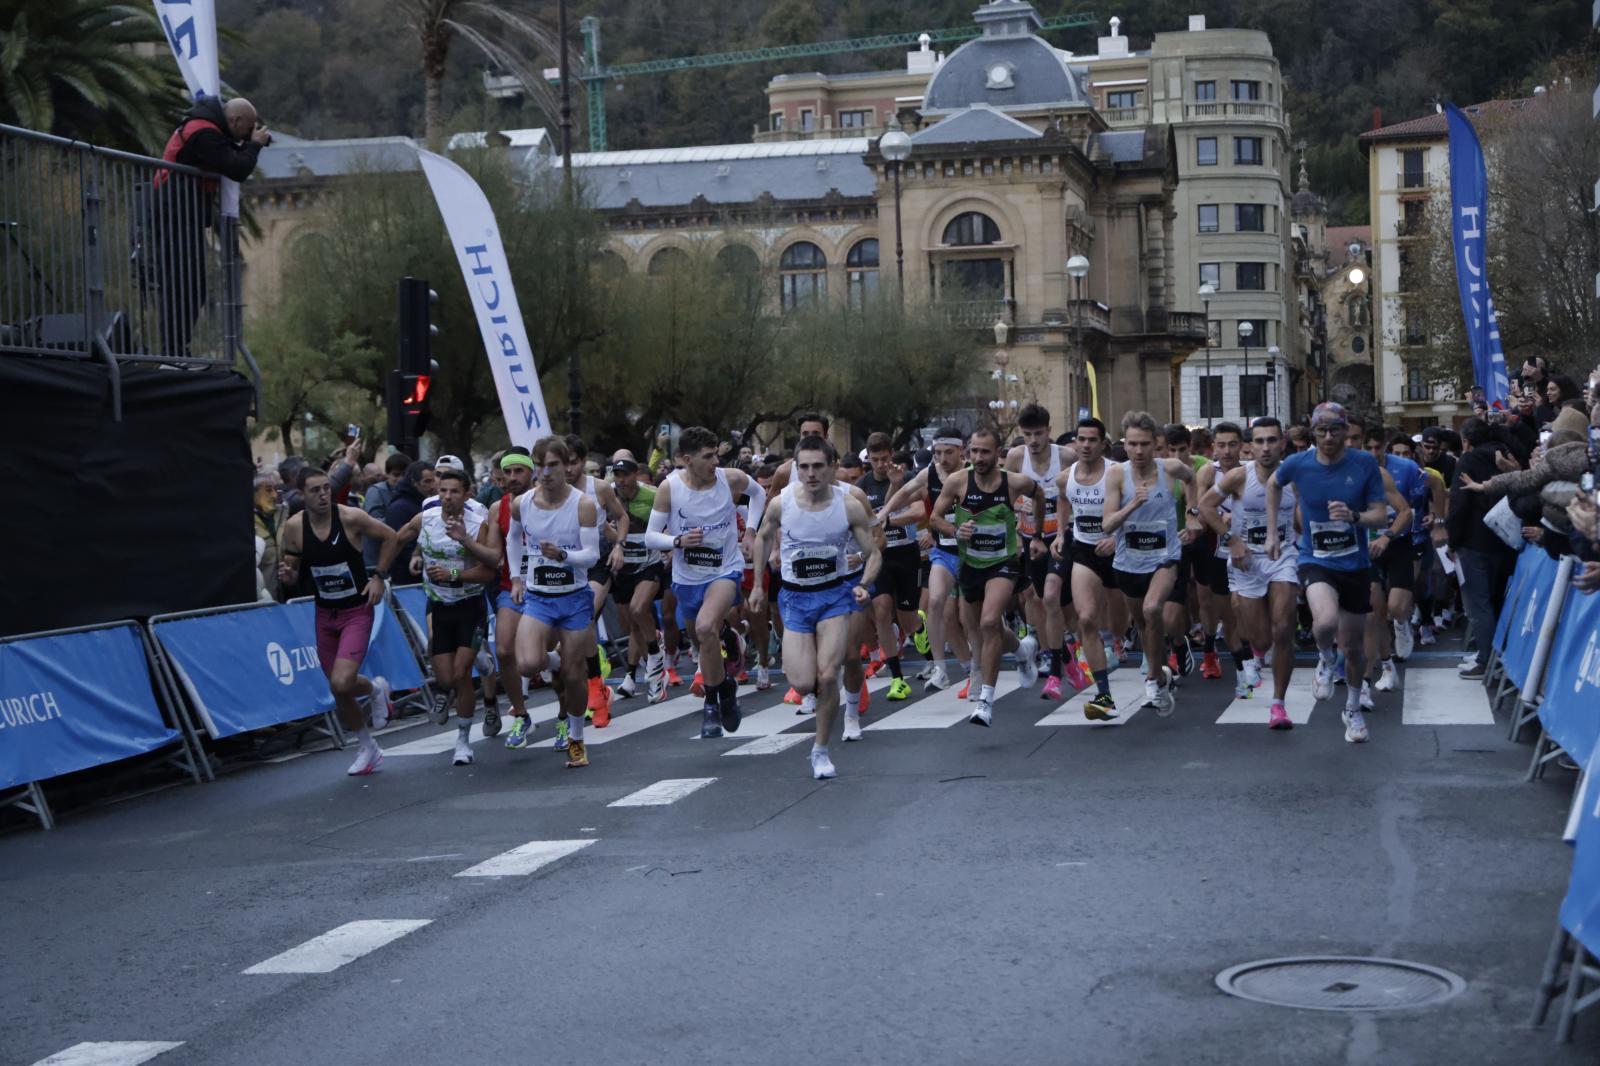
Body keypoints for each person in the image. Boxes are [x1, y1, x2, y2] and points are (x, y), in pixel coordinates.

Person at [1265, 402, 1409, 744]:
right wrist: (1273, 531)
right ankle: (1326, 659)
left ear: (1346, 432)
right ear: (1313, 433)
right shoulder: (1298, 463)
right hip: (1315, 560)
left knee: (1355, 649)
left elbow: (1380, 514)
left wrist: (1354, 516)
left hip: (1355, 564)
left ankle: (1353, 709)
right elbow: (1273, 485)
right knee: (1326, 622)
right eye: (1322, 431)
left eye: (1335, 430)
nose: (1329, 437)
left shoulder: (1364, 464)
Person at [749, 436, 881, 779]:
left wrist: (865, 584)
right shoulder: (781, 503)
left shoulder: (848, 505)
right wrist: (759, 585)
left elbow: (874, 553)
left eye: (818, 466)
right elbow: (763, 537)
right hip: (794, 599)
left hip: (834, 597)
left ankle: (820, 751)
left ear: (832, 467)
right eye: (804, 466)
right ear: (796, 468)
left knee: (827, 674)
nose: (810, 474)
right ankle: (820, 705)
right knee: (805, 682)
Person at [276, 467, 400, 776]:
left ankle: (375, 691)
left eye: (326, 488)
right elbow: (291, 569)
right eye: (314, 490)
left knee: (342, 681)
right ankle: (368, 747)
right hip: (324, 613)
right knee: (339, 689)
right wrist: (288, 576)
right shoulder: (294, 527)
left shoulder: (350, 517)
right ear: (301, 495)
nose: (323, 495)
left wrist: (378, 577)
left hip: (356, 610)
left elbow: (391, 537)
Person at [645, 426, 758, 739]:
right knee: (703, 640)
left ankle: (711, 705)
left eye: (716, 455)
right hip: (686, 578)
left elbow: (758, 494)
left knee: (706, 627)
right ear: (686, 459)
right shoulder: (669, 488)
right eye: (708, 456)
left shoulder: (730, 479)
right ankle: (726, 688)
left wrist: (750, 531)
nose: (715, 462)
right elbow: (650, 537)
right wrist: (678, 541)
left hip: (725, 570)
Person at [929, 426, 1044, 726]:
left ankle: (985, 701)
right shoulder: (957, 481)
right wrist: (955, 530)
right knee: (981, 627)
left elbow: (1039, 495)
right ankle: (1022, 650)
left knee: (990, 622)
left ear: (997, 453)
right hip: (971, 564)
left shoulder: (1014, 482)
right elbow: (935, 518)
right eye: (974, 451)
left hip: (1004, 562)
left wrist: (1037, 534)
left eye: (985, 452)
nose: (979, 457)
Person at [388, 467, 498, 766]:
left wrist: (454, 573)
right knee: (446, 678)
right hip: (438, 605)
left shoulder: (477, 522)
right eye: (443, 491)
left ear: (467, 494)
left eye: (454, 491)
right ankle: (477, 671)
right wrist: (379, 572)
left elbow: (489, 571)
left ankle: (463, 741)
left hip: (469, 605)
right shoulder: (427, 517)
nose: (447, 496)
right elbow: (397, 538)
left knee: (461, 675)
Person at [149, 96, 270, 356]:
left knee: (193, 286)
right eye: (247, 128)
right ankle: (173, 352)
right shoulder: (203, 132)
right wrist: (255, 146)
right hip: (175, 216)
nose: (247, 134)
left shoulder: (208, 130)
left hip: (183, 215)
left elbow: (229, 156)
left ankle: (178, 350)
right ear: (235, 120)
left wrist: (249, 143)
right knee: (181, 285)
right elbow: (237, 168)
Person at [509, 437, 602, 768]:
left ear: (566, 466)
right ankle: (558, 660)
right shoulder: (522, 503)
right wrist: (516, 578)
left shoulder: (582, 504)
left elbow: (592, 555)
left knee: (575, 677)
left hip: (574, 597)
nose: (546, 473)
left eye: (553, 465)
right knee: (527, 664)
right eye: (540, 465)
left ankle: (576, 738)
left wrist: (563, 555)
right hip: (539, 597)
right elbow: (513, 539)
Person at [1101, 411, 1201, 716]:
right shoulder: (1116, 475)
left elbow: (1192, 478)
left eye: (1144, 444)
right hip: (1128, 562)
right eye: (1132, 444)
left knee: (1152, 608)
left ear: (1155, 444)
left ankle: (1153, 679)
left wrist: (1192, 514)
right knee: (1145, 626)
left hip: (1165, 557)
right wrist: (1132, 504)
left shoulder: (1169, 468)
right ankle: (1161, 675)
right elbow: (1107, 525)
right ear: (1125, 444)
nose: (1139, 450)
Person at [1202, 418, 1296, 725]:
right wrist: (1232, 540)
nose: (1266, 447)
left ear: (1282, 443)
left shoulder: (1294, 475)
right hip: (1247, 562)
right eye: (1259, 441)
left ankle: (1278, 704)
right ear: (1250, 446)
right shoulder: (1239, 477)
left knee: (1283, 628)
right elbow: (1205, 506)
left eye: (1272, 440)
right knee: (1263, 639)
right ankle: (1257, 653)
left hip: (1283, 556)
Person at [882, 427, 974, 694]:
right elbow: (903, 494)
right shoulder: (930, 473)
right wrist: (884, 513)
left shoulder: (973, 473)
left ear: (961, 451)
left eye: (948, 452)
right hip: (944, 551)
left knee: (968, 618)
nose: (942, 458)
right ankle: (942, 669)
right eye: (938, 452)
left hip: (974, 554)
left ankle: (1015, 651)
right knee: (936, 604)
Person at [1005, 404, 1078, 700]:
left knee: (1053, 597)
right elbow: (1004, 495)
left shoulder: (1067, 457)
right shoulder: (1015, 457)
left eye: (1038, 433)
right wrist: (1016, 505)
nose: (1033, 440)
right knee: (1041, 597)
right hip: (1030, 537)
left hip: (1061, 535)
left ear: (1049, 431)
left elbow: (1079, 491)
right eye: (1027, 434)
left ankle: (1061, 660)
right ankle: (1061, 653)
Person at [1052, 417, 1122, 720]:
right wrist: (1060, 533)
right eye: (1081, 439)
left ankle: (1159, 670)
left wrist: (1117, 538)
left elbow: (1137, 509)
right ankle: (1104, 696)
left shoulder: (1117, 473)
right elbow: (1063, 501)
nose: (1085, 445)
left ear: (1103, 443)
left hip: (1120, 553)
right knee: (1087, 619)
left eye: (1092, 440)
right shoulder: (1065, 477)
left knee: (1127, 626)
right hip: (1084, 550)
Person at [857, 432, 926, 702]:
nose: (880, 464)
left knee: (908, 619)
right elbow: (862, 522)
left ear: (891, 454)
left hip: (907, 554)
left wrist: (888, 521)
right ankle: (897, 679)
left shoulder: (905, 477)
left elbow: (919, 512)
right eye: (875, 460)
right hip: (880, 557)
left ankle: (921, 631)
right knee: (882, 611)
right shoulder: (862, 485)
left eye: (884, 458)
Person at [480, 448, 538, 747]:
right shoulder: (497, 508)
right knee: (503, 651)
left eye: (519, 471)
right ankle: (521, 714)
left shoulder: (548, 500)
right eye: (508, 472)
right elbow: (493, 554)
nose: (513, 477)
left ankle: (567, 713)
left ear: (532, 472)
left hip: (551, 586)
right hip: (511, 587)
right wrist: (466, 543)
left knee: (544, 656)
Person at [608, 453, 670, 703]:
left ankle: (654, 661)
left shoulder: (652, 495)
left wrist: (670, 546)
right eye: (617, 475)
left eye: (626, 475)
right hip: (622, 566)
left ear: (636, 475)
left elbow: (671, 521)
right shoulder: (608, 495)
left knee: (638, 609)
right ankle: (636, 672)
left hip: (650, 563)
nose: (621, 480)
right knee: (631, 625)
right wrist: (614, 539)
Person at [384, 461, 435, 584]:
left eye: (435, 480)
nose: (433, 486)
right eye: (427, 481)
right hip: (409, 580)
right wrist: (417, 557)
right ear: (414, 482)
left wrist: (452, 573)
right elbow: (398, 542)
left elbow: (466, 572)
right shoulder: (400, 507)